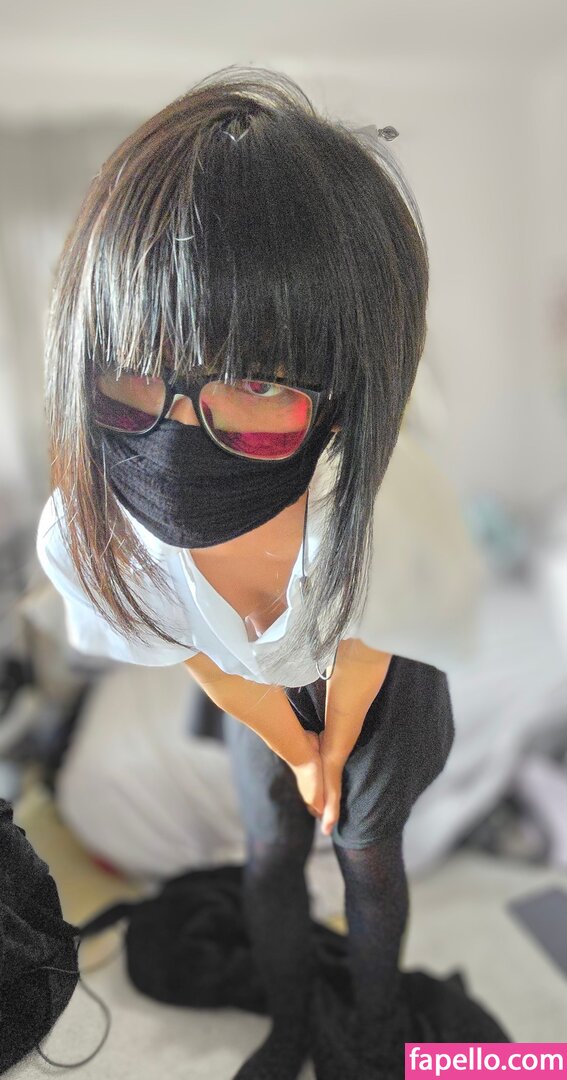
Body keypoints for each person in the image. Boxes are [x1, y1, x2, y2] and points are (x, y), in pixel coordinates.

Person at [36, 65, 485, 1080]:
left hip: (379, 673)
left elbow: (367, 636)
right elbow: (196, 650)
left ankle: (376, 1031)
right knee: (268, 849)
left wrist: (334, 754)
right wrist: (296, 749)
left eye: (256, 382)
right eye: (131, 369)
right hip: (259, 688)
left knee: (366, 854)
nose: (176, 430)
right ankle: (290, 1025)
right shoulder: (98, 525)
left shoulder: (391, 501)